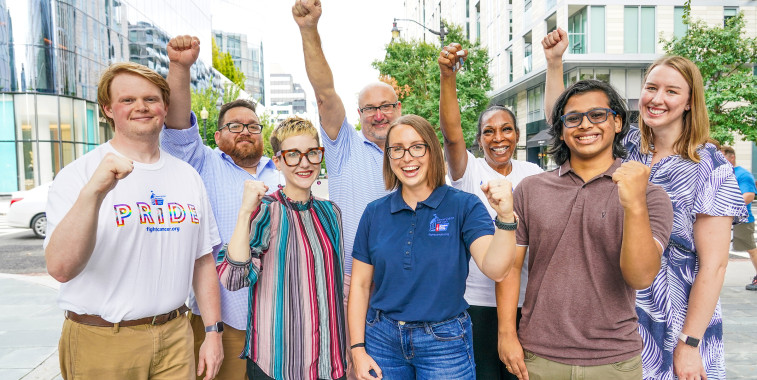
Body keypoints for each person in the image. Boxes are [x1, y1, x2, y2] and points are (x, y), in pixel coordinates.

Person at [543, 28, 747, 380]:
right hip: (615, 309)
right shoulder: (628, 143)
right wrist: (554, 63)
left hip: (677, 316)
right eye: (651, 87)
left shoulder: (712, 168)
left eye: (671, 91)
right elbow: (567, 121)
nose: (657, 98)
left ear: (689, 102)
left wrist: (690, 342)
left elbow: (713, 266)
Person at [44, 61, 223, 380]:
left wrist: (213, 332)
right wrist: (93, 194)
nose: (141, 106)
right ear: (108, 109)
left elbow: (202, 260)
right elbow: (61, 268)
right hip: (103, 342)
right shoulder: (79, 175)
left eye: (151, 99)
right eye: (127, 100)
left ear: (165, 107)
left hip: (176, 337)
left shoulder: (187, 176)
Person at [498, 78, 673, 380]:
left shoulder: (649, 195)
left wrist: (634, 205)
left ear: (617, 122)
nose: (585, 125)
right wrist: (506, 335)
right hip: (538, 356)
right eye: (573, 118)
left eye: (597, 115)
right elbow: (510, 268)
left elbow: (641, 276)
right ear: (563, 131)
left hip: (614, 360)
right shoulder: (530, 189)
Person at [348, 114, 518, 380]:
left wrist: (506, 219)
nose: (407, 157)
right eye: (397, 149)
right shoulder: (374, 213)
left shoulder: (464, 205)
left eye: (417, 147)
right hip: (382, 338)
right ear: (389, 157)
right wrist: (357, 349)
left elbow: (495, 269)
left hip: (444, 341)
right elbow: (359, 285)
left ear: (433, 151)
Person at [161, 35, 281, 380]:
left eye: (253, 126)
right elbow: (179, 123)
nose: (245, 131)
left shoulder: (281, 173)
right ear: (215, 135)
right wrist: (181, 67)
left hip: (275, 321)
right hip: (221, 322)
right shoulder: (201, 162)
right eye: (234, 125)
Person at [437, 43, 542, 380]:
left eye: (506, 129)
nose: (498, 137)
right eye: (488, 131)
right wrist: (447, 77)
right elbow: (451, 137)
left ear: (517, 134)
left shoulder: (534, 175)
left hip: (526, 303)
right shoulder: (470, 173)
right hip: (476, 305)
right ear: (479, 140)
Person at [217, 117, 346, 380]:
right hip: (278, 364)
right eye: (293, 155)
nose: (305, 162)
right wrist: (244, 212)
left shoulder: (331, 212)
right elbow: (232, 278)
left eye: (312, 153)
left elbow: (335, 287)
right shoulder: (266, 210)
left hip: (330, 364)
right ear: (277, 161)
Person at [721, 146, 757, 291]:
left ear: (732, 157)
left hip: (742, 220)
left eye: (723, 157)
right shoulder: (722, 173)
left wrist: (726, 206)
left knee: (751, 249)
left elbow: (748, 196)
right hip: (723, 219)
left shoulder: (743, 174)